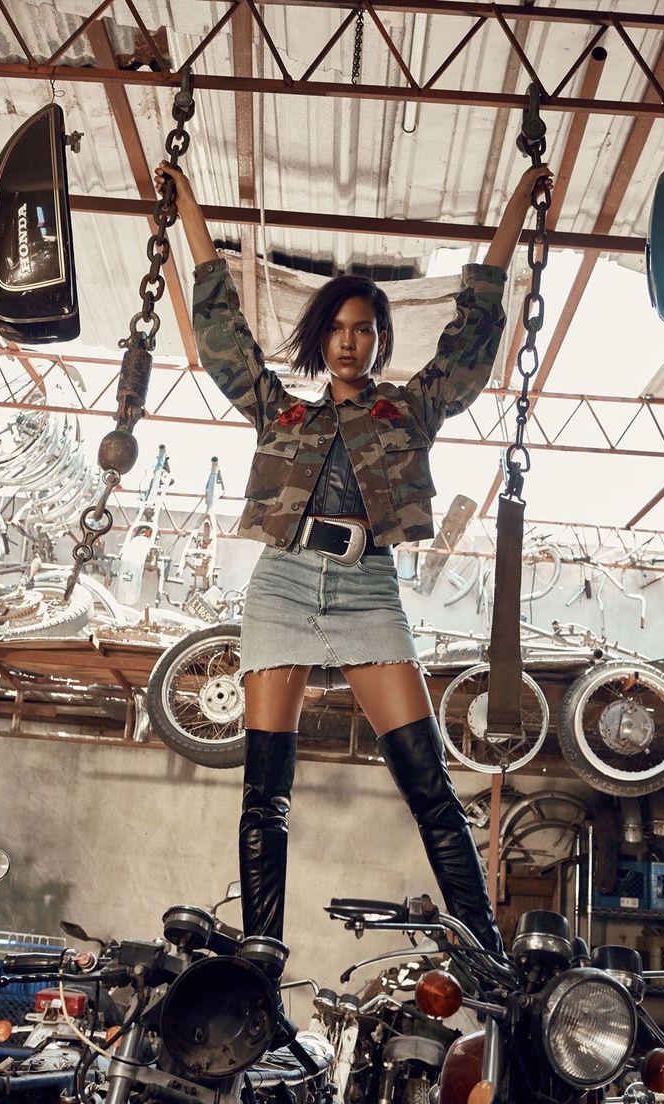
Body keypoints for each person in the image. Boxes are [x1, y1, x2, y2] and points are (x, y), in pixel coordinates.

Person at [155, 157, 552, 961]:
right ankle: (260, 967)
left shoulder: (411, 409)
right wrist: (188, 206)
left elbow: (474, 328)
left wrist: (516, 202)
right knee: (265, 795)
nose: (350, 341)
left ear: (379, 338)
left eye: (364, 329)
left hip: (369, 587)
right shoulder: (280, 412)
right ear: (320, 335)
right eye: (337, 327)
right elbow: (221, 329)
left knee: (430, 787)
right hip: (284, 584)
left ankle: (485, 952)